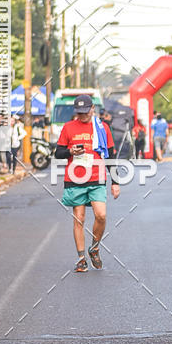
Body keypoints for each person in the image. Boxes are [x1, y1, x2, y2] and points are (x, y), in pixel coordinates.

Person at [55, 95, 119, 273]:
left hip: (97, 178)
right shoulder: (68, 127)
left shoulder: (102, 128)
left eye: (85, 112)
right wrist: (70, 151)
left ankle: (95, 247)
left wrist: (115, 182)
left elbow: (111, 155)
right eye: (79, 112)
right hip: (75, 179)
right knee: (79, 218)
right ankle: (81, 258)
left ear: (92, 109)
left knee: (101, 215)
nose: (82, 116)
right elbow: (57, 153)